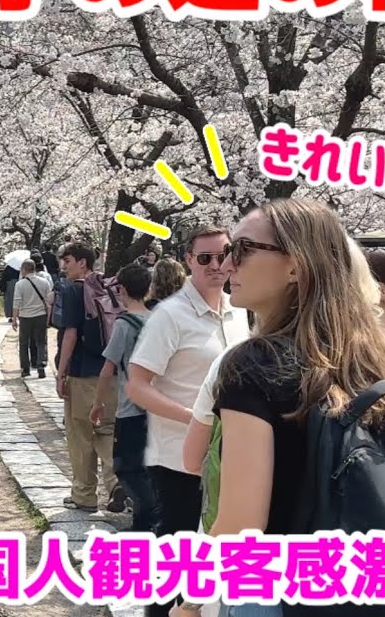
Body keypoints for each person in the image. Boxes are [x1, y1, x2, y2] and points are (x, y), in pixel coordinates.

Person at [172, 199, 385, 617]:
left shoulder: (252, 363)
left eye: (241, 250)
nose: (226, 265)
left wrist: (189, 603)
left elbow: (242, 523)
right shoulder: (375, 359)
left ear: (296, 267)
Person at [126, 226, 249, 617]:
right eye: (205, 258)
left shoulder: (241, 311)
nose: (217, 265)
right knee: (175, 548)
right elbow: (138, 386)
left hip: (226, 455)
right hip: (178, 455)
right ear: (188, 262)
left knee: (213, 546)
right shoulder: (171, 315)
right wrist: (196, 420)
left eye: (224, 254)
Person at [54, 242, 123, 513]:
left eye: (68, 260)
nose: (64, 266)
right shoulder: (106, 289)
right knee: (106, 430)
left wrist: (61, 372)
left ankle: (84, 495)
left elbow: (70, 333)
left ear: (82, 262)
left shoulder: (73, 291)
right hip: (111, 373)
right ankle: (117, 480)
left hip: (82, 374)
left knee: (81, 433)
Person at [90, 264, 157, 531]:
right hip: (157, 407)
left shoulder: (124, 324)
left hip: (131, 408)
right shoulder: (159, 320)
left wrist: (98, 402)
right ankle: (148, 518)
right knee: (149, 467)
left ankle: (146, 519)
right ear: (148, 288)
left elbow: (108, 368)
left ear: (122, 289)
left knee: (125, 467)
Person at [12, 258, 52, 379]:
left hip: (25, 317)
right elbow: (49, 302)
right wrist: (49, 317)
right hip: (40, 315)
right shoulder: (44, 282)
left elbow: (17, 302)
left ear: (24, 270)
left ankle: (25, 368)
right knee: (41, 341)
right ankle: (41, 366)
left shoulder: (20, 284)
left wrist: (14, 318)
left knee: (24, 343)